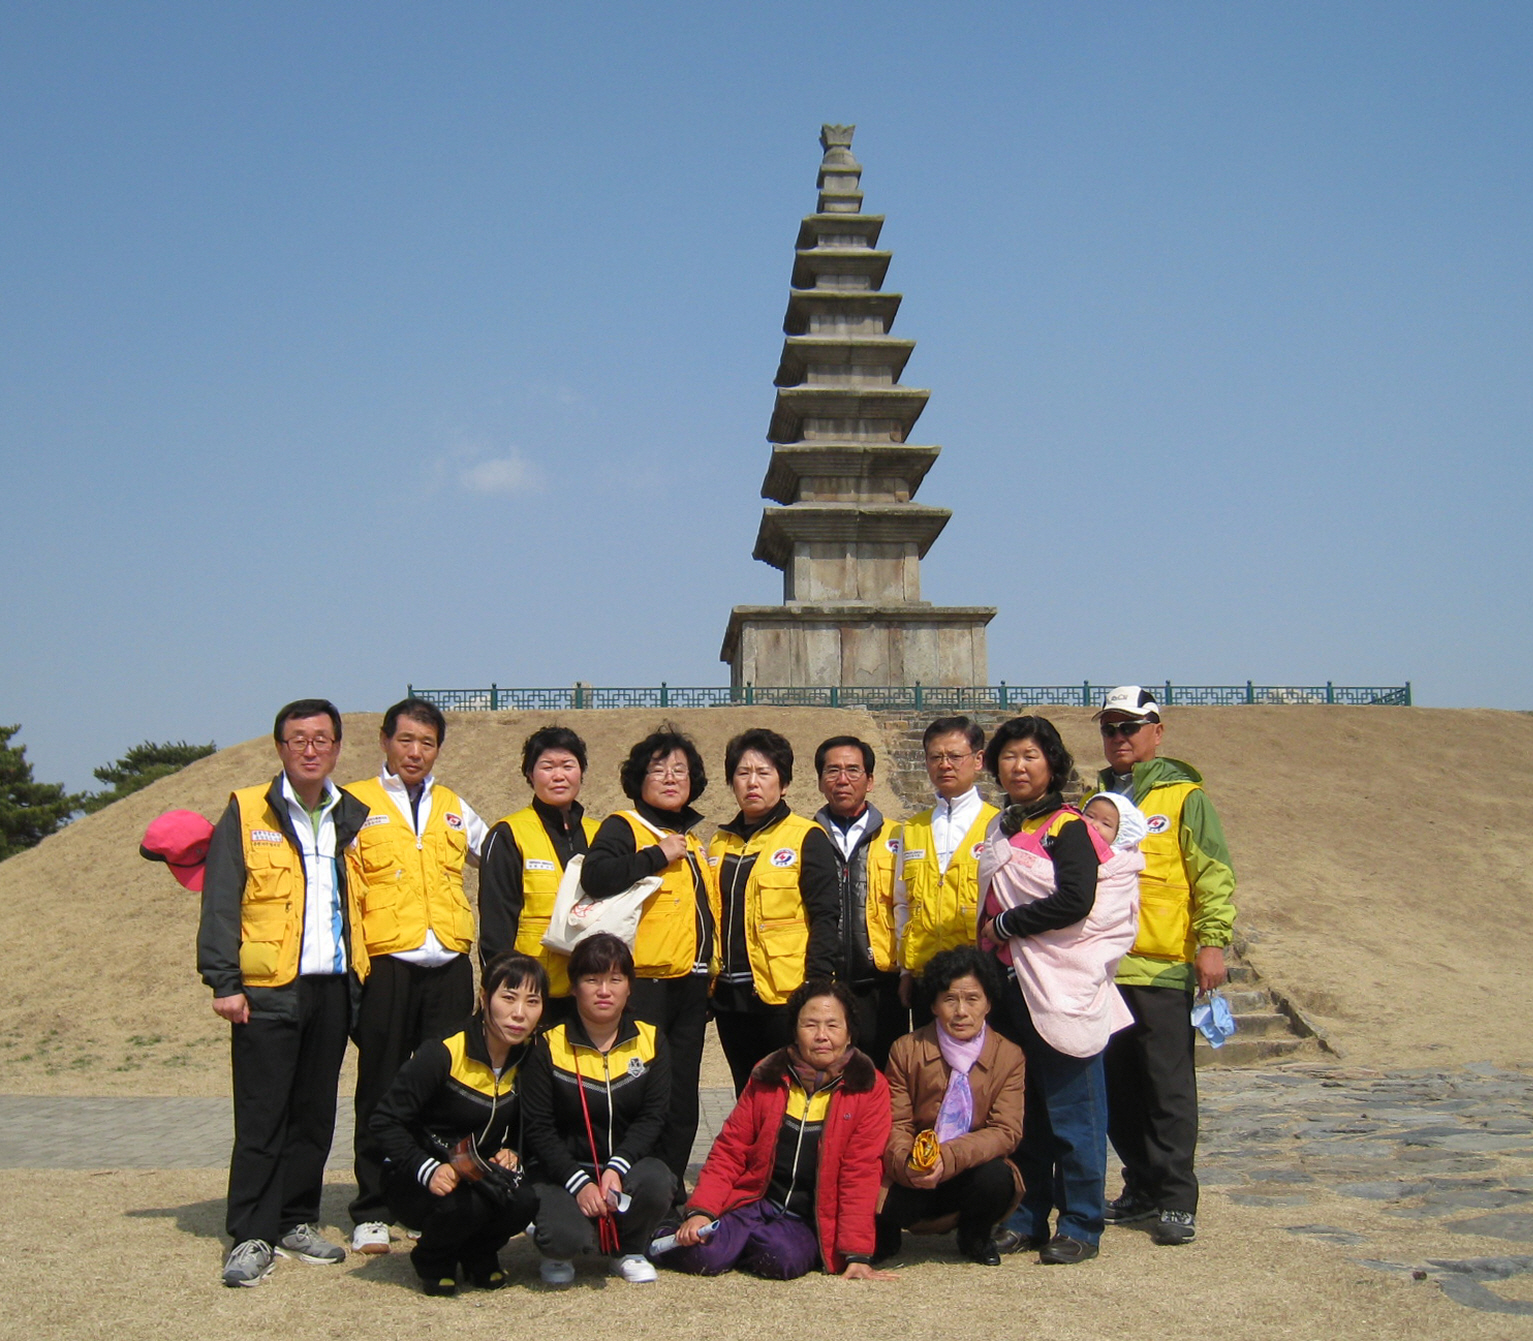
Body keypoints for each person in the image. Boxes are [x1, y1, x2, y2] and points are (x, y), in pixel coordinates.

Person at [197, 698, 370, 1287]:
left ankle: (296, 1219)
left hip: (331, 988)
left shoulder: (351, 813)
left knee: (314, 1114)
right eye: (297, 739)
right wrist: (224, 981)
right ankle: (250, 1232)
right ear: (279, 748)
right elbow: (222, 899)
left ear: (338, 747)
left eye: (322, 738)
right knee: (263, 1116)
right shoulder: (249, 809)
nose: (310, 748)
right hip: (267, 989)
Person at [342, 697, 489, 1254]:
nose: (415, 752)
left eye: (427, 743)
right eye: (405, 740)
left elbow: (498, 856)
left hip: (448, 963)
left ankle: (435, 1197)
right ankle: (372, 1207)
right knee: (379, 1086)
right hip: (386, 963)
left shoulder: (452, 805)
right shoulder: (354, 802)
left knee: (447, 1089)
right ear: (384, 741)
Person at [1091, 685, 1236, 1247]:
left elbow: (1212, 873)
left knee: (1167, 1089)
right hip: (1105, 967)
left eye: (1130, 727)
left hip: (1162, 964)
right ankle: (1141, 1187)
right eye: (1110, 727)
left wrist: (1212, 943)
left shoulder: (1185, 797)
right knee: (1117, 1089)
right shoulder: (1092, 796)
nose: (1119, 738)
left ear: (1157, 730)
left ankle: (1176, 1198)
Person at [974, 715, 1118, 1265]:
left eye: (1030, 756)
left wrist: (1007, 926)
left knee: (1073, 1112)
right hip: (1010, 988)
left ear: (1052, 764)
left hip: (1057, 987)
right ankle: (1028, 1217)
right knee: (1024, 1110)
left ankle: (1082, 1222)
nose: (1018, 766)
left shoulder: (1068, 827)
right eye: (1009, 756)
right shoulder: (1002, 830)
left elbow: (1076, 901)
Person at [665, 979, 895, 1281]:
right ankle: (665, 1233)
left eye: (832, 1026)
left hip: (808, 1217)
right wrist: (702, 1211)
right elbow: (730, 1149)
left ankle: (741, 1245)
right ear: (795, 1030)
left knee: (780, 1258)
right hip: (755, 1202)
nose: (822, 1036)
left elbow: (861, 1171)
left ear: (850, 1032)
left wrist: (856, 1253)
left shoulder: (869, 1087)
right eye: (810, 1025)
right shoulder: (768, 1074)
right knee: (701, 1253)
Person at [581, 725, 716, 1189]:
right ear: (639, 779)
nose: (670, 777)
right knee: (642, 1091)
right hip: (645, 985)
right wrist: (656, 854)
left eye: (680, 769)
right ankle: (628, 1181)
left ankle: (671, 1184)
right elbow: (597, 876)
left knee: (682, 1094)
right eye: (658, 769)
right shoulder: (624, 826)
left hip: (692, 984)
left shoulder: (695, 840)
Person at [368, 952, 545, 1295]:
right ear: (483, 997)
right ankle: (433, 1258)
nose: (519, 1013)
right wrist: (427, 1168)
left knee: (525, 1199)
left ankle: (478, 1252)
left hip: (479, 1170)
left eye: (532, 1001)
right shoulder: (443, 1052)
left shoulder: (529, 1054)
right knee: (469, 1202)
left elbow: (533, 1119)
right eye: (508, 998)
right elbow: (385, 1120)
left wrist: (512, 1150)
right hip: (420, 1175)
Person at [519, 932, 675, 1286]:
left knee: (657, 1179)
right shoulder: (547, 1045)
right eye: (592, 979)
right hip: (563, 1173)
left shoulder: (651, 1040)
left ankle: (629, 1249)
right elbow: (539, 1128)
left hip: (622, 1172)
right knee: (565, 1240)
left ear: (629, 987)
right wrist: (579, 1184)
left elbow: (653, 1117)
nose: (604, 990)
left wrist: (616, 1169)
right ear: (574, 988)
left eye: (615, 979)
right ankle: (556, 1241)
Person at [707, 728, 841, 1095]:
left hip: (783, 994)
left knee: (786, 1092)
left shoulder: (805, 836)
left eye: (764, 773)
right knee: (746, 1091)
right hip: (729, 997)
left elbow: (826, 916)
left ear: (783, 783)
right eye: (743, 773)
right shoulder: (720, 841)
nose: (752, 783)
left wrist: (815, 986)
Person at [875, 946, 1025, 1266]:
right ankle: (886, 1233)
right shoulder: (906, 1049)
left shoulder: (1009, 1056)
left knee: (997, 1178)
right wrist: (910, 1163)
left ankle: (974, 1235)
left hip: (967, 1170)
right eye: (949, 999)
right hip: (912, 1169)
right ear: (933, 1004)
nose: (961, 1011)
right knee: (876, 1189)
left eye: (972, 999)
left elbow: (1005, 1131)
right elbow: (894, 1124)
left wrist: (949, 1157)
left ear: (988, 1004)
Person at [478, 725, 598, 1002]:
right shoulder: (508, 833)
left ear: (581, 772)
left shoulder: (601, 834)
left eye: (568, 765)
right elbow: (496, 924)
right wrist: (501, 990)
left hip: (590, 992)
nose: (559, 776)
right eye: (547, 767)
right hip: (532, 992)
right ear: (530, 775)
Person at [894, 716, 999, 1024]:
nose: (945, 765)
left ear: (978, 760)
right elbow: (903, 903)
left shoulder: (997, 825)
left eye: (955, 756)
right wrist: (905, 971)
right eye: (935, 757)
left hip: (980, 974)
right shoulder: (912, 828)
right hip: (927, 974)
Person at [812, 736, 907, 1069]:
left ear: (870, 781)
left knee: (882, 1081)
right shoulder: (804, 838)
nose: (843, 779)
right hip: (826, 984)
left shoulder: (900, 837)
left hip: (883, 986)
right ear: (821, 781)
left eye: (853, 770)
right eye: (833, 770)